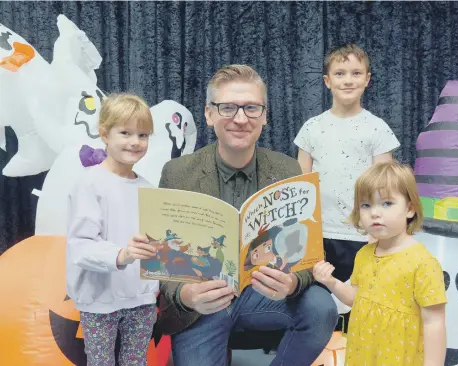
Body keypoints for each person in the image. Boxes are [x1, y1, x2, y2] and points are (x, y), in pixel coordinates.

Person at [156, 64, 338, 366]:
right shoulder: (178, 173)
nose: (240, 119)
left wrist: (292, 283)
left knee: (321, 307)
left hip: (263, 295)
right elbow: (162, 261)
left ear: (264, 116)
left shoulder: (287, 171)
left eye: (251, 108)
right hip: (202, 306)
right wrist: (185, 294)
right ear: (209, 113)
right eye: (227, 107)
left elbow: (309, 256)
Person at [313, 162, 447, 365]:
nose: (375, 212)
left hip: (400, 356)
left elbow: (434, 322)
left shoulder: (423, 263)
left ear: (410, 209)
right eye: (366, 205)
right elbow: (356, 299)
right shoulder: (364, 255)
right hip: (363, 351)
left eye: (386, 203)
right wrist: (331, 282)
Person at [294, 43, 401, 285]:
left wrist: (377, 233)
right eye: (340, 74)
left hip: (363, 235)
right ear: (327, 81)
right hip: (319, 236)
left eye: (356, 73)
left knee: (360, 302)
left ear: (367, 79)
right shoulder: (311, 128)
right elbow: (301, 186)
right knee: (322, 303)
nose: (348, 80)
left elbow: (384, 188)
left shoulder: (377, 128)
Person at [66, 93, 159, 365]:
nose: (135, 142)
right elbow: (80, 246)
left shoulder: (148, 189)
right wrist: (121, 255)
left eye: (143, 135)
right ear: (105, 134)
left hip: (141, 299)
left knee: (135, 361)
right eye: (126, 132)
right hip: (99, 299)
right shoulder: (89, 184)